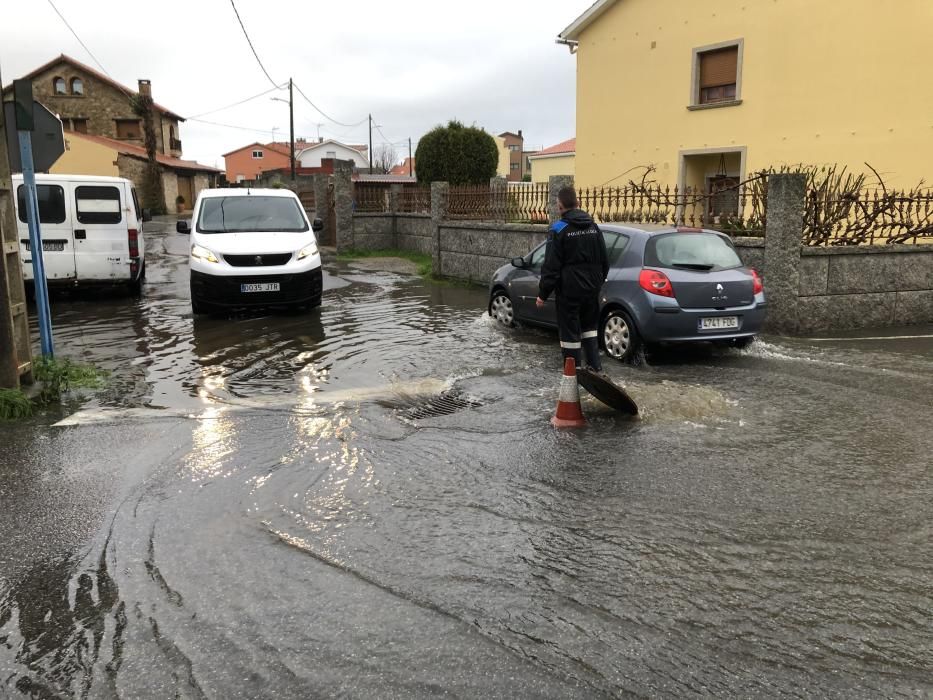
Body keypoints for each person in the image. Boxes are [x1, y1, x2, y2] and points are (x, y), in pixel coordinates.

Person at [536, 186, 609, 372]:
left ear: (560, 206)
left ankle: (573, 375)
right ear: (577, 203)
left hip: (569, 292)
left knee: (570, 335)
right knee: (590, 330)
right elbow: (605, 261)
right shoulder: (594, 227)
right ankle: (595, 370)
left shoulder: (559, 229)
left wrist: (543, 294)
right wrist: (597, 284)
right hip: (591, 291)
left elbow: (551, 266)